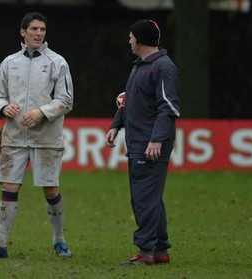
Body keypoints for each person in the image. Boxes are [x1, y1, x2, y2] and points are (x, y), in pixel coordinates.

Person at [0, 12, 74, 259]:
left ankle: (59, 241)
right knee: (9, 187)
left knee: (50, 190)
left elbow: (66, 100)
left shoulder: (57, 62)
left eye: (42, 29)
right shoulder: (9, 62)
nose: (39, 33)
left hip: (46, 138)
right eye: (33, 29)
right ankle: (0, 245)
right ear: (23, 32)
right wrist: (3, 107)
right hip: (15, 136)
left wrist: (41, 112)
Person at [105, 19, 180, 265]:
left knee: (143, 197)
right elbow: (128, 99)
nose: (129, 40)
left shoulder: (164, 68)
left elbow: (167, 107)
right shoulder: (140, 66)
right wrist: (117, 124)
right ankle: (159, 250)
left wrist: (157, 139)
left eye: (131, 36)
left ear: (140, 39)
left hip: (150, 143)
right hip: (138, 140)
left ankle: (145, 251)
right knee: (150, 197)